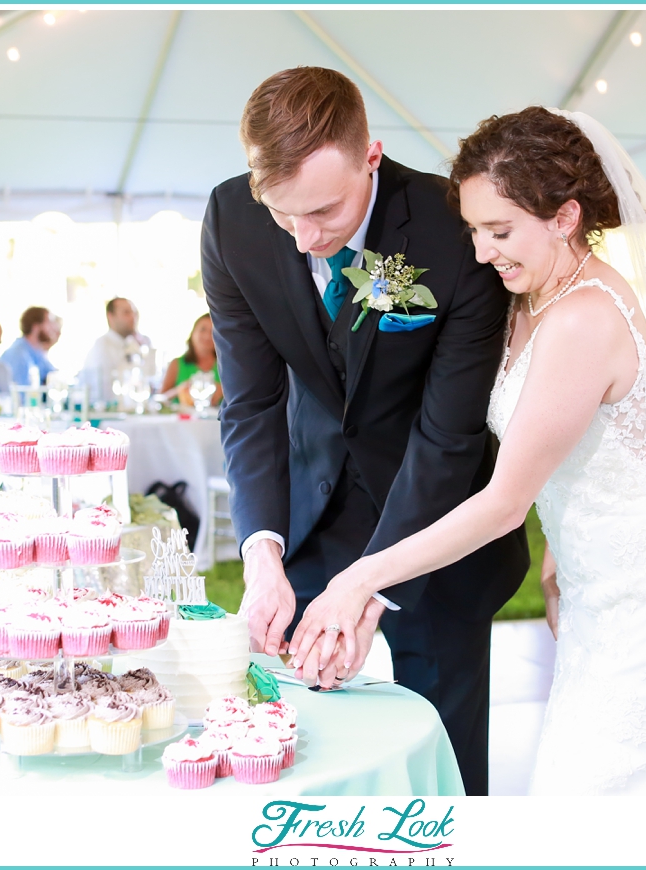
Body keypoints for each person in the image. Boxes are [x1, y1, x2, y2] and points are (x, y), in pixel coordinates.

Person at [287, 107, 646, 796]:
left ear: (564, 217)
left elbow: (502, 504)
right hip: (600, 564)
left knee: (610, 780)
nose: (480, 251)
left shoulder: (585, 317)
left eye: (499, 231)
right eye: (472, 230)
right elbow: (620, 435)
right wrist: (562, 547)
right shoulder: (531, 294)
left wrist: (358, 578)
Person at [201, 67, 529, 796]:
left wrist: (374, 588)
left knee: (442, 754)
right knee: (296, 744)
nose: (305, 239)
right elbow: (251, 403)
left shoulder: (451, 231)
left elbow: (449, 437)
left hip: (439, 524)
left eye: (324, 211)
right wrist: (262, 557)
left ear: (371, 156)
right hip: (313, 516)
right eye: (285, 215)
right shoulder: (231, 220)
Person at [78, 297, 157, 406]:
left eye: (134, 313)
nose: (133, 317)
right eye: (126, 313)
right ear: (111, 317)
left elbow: (150, 380)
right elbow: (105, 393)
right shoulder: (102, 346)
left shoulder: (136, 343)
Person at [160, 313, 223, 406]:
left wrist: (223, 391)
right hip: (182, 419)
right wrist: (179, 390)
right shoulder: (177, 364)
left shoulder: (226, 366)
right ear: (193, 332)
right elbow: (160, 398)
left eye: (213, 331)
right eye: (203, 329)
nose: (207, 336)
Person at [0, 306, 57, 387]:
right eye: (48, 322)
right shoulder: (18, 355)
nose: (53, 327)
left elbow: (54, 375)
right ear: (36, 327)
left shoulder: (37, 352)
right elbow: (23, 396)